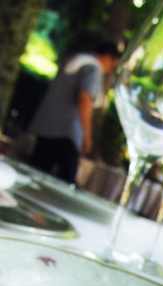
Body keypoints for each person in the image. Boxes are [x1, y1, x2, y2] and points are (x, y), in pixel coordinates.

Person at [29, 41, 121, 184]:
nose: (110, 70)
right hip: (67, 133)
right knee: (65, 184)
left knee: (35, 175)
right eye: (113, 65)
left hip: (47, 127)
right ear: (108, 57)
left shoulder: (75, 61)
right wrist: (86, 136)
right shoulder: (93, 68)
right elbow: (84, 100)